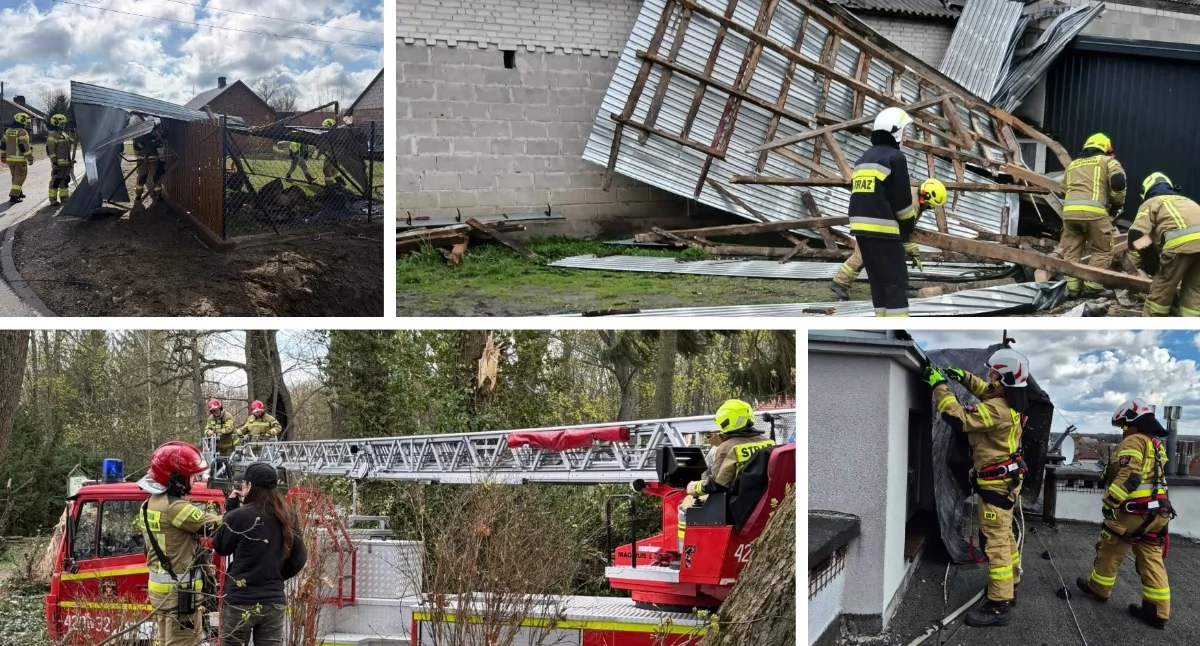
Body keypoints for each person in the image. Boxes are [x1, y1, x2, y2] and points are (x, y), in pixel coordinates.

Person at [925, 348, 1032, 627]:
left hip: (995, 486)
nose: (990, 375)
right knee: (1005, 536)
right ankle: (1012, 586)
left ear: (1004, 378)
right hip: (1006, 482)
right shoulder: (1011, 401)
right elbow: (988, 391)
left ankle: (998, 606)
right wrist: (964, 377)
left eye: (994, 372)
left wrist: (939, 385)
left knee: (994, 543)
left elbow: (957, 417)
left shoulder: (997, 410)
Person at [1062, 399, 1173, 629]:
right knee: (1151, 556)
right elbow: (1148, 474)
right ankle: (1157, 611)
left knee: (1110, 546)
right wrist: (1110, 471)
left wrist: (1110, 501)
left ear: (1132, 421)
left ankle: (1099, 589)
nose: (1122, 430)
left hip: (1135, 512)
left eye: (1123, 425)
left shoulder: (1133, 440)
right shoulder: (1155, 444)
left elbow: (1131, 477)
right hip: (1159, 512)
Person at [848, 108, 944, 316]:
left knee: (878, 282)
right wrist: (907, 230)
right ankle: (898, 324)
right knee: (895, 282)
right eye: (904, 131)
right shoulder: (895, 157)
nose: (905, 137)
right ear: (896, 132)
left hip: (860, 231)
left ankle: (882, 319)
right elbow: (902, 204)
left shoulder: (862, 159)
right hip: (884, 231)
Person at [137, 441, 225, 646]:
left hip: (161, 594)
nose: (194, 481)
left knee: (166, 642)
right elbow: (219, 526)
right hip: (181, 595)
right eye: (191, 476)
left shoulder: (149, 503)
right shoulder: (175, 508)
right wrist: (236, 508)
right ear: (176, 478)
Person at [212, 462, 307, 646]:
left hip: (241, 600)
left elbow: (221, 547)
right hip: (273, 601)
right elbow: (299, 558)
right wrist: (276, 574)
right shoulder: (288, 515)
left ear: (248, 486)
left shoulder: (240, 515)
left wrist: (231, 507)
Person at [677, 399, 774, 552]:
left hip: (735, 507)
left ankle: (684, 554)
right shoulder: (769, 443)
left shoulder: (727, 447)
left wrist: (692, 487)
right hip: (764, 503)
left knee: (685, 504)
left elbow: (717, 484)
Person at [1060, 133, 1126, 298]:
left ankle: (1072, 288)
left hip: (1069, 213)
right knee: (1102, 249)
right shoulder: (1108, 162)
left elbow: (1063, 189)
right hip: (1094, 212)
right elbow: (1118, 182)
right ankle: (1093, 287)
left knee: (1072, 249)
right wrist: (1117, 203)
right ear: (1105, 148)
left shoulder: (1072, 165)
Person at [1128, 172, 1200, 316]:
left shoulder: (1152, 202)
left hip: (1180, 246)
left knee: (1160, 293)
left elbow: (1136, 235)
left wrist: (1151, 261)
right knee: (1195, 292)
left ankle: (1153, 327)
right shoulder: (1187, 201)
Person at [1, 112, 33, 203]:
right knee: (20, 177)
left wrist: (2, 156)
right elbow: (24, 147)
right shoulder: (22, 132)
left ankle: (19, 192)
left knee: (15, 176)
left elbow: (3, 145)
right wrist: (30, 158)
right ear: (22, 121)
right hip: (20, 160)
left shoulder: (8, 131)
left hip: (10, 159)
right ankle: (14, 196)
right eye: (25, 121)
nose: (26, 123)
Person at [132, 123, 165, 204]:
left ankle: (158, 194)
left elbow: (161, 144)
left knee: (155, 177)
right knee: (142, 177)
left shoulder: (153, 135)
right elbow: (137, 147)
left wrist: (158, 139)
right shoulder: (138, 137)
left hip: (153, 159)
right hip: (142, 160)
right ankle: (138, 194)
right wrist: (143, 142)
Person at [45, 114, 73, 205]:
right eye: (62, 124)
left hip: (66, 163)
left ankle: (64, 197)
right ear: (56, 123)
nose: (63, 126)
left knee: (65, 180)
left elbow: (72, 140)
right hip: (58, 164)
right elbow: (50, 151)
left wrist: (72, 130)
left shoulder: (63, 134)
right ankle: (53, 199)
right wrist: (54, 163)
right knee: (55, 181)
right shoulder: (52, 135)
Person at [320, 117, 344, 188]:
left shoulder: (330, 135)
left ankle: (329, 187)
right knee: (334, 170)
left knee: (327, 171)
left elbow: (324, 145)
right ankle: (341, 183)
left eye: (324, 128)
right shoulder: (338, 133)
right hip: (337, 154)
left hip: (332, 154)